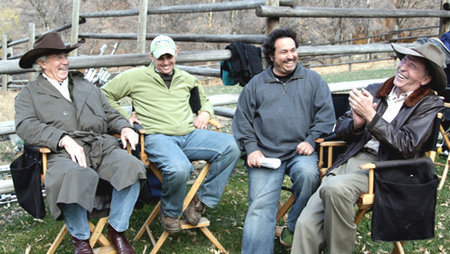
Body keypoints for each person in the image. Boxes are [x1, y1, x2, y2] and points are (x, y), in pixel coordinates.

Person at [291, 42, 446, 254]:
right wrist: (356, 123)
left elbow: (407, 145)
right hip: (353, 158)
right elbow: (341, 127)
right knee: (306, 224)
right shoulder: (375, 90)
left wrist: (372, 117)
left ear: (425, 79)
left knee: (335, 188)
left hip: (388, 168)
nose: (402, 67)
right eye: (403, 61)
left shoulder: (429, 104)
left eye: (412, 66)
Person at [14, 32, 147, 254]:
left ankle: (117, 230)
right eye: (57, 57)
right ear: (42, 63)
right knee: (73, 175)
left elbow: (108, 113)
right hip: (60, 154)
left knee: (132, 166)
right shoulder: (29, 94)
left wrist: (124, 126)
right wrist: (62, 139)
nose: (64, 61)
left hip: (100, 145)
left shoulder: (86, 85)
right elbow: (26, 125)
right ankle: (82, 241)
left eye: (65, 56)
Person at [101, 35, 240, 234]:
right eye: (160, 58)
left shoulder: (186, 79)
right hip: (157, 137)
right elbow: (105, 95)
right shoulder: (134, 77)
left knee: (232, 145)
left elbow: (204, 100)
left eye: (169, 56)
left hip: (189, 135)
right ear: (151, 57)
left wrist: (205, 112)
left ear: (176, 53)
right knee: (179, 168)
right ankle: (171, 212)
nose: (166, 62)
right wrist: (124, 119)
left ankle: (201, 200)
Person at [232, 28, 336, 253]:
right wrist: (251, 149)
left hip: (300, 152)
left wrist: (310, 140)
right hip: (266, 155)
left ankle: (293, 225)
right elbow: (242, 121)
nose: (291, 56)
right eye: (284, 52)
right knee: (260, 207)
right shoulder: (256, 85)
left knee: (309, 175)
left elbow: (326, 117)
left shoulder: (313, 81)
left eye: (293, 50)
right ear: (271, 56)